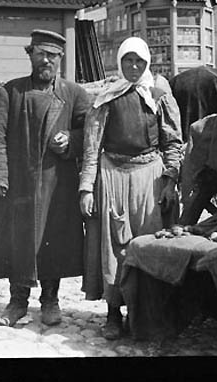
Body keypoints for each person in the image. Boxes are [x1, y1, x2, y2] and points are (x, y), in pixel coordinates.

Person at [79, 36, 183, 340]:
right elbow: (91, 145)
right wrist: (87, 186)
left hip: (148, 178)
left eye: (139, 61)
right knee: (113, 248)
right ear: (120, 62)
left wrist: (170, 181)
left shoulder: (160, 95)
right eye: (128, 61)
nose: (134, 66)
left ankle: (143, 313)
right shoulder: (107, 97)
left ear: (147, 62)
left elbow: (173, 143)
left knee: (147, 245)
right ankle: (113, 314)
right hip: (112, 176)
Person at [0, 30, 90, 327]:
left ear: (61, 59)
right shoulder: (12, 91)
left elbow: (91, 134)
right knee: (17, 241)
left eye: (53, 56)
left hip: (57, 185)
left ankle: (50, 300)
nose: (46, 61)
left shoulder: (73, 94)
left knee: (52, 241)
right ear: (30, 55)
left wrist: (71, 139)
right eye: (41, 54)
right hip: (18, 183)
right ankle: (17, 301)